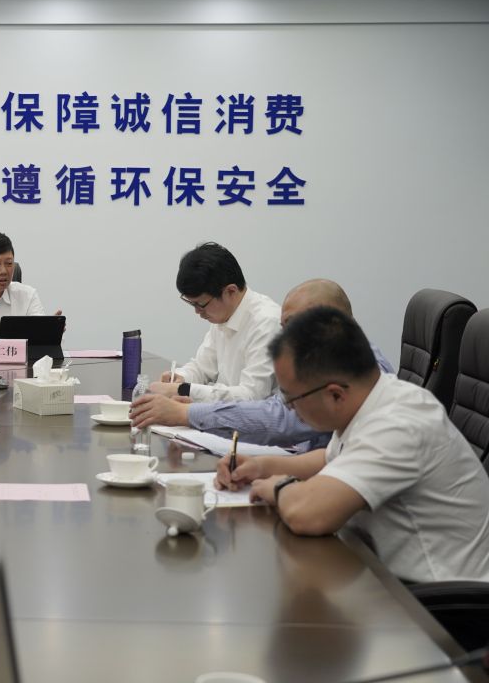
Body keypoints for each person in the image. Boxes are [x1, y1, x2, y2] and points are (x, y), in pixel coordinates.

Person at [215, 306, 489, 583]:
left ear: (335, 394)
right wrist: (261, 466)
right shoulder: (375, 397)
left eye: (291, 399)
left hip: (437, 599)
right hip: (386, 576)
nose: (289, 408)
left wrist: (278, 487)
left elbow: (307, 515)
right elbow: (332, 458)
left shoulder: (399, 424)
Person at [131, 279, 394, 450]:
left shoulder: (358, 372)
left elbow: (280, 420)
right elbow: (277, 407)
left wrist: (186, 414)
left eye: (294, 326)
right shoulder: (320, 363)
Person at [150, 242, 280, 402]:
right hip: (222, 413)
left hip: (251, 417)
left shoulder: (266, 324)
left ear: (230, 291)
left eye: (201, 304)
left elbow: (251, 397)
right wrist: (181, 377)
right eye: (192, 304)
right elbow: (202, 367)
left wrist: (185, 389)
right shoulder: (224, 315)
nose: (197, 312)